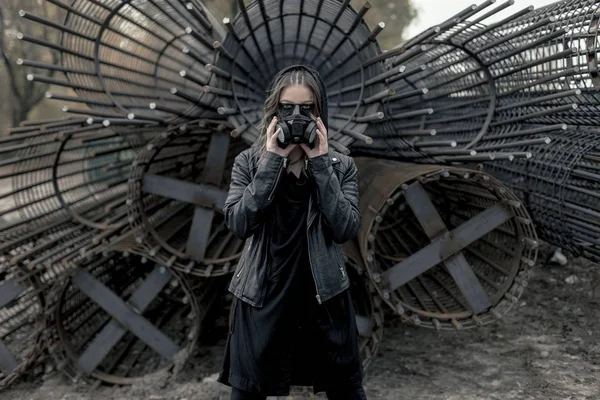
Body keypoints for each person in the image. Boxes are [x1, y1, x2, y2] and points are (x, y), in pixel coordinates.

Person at [217, 65, 366, 400]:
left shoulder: (341, 166)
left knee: (348, 392)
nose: (296, 116)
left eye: (307, 108)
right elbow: (239, 223)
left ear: (319, 113)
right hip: (262, 298)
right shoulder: (249, 162)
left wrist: (321, 164)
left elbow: (345, 228)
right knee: (247, 393)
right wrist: (272, 161)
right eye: (287, 107)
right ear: (273, 112)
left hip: (324, 299)